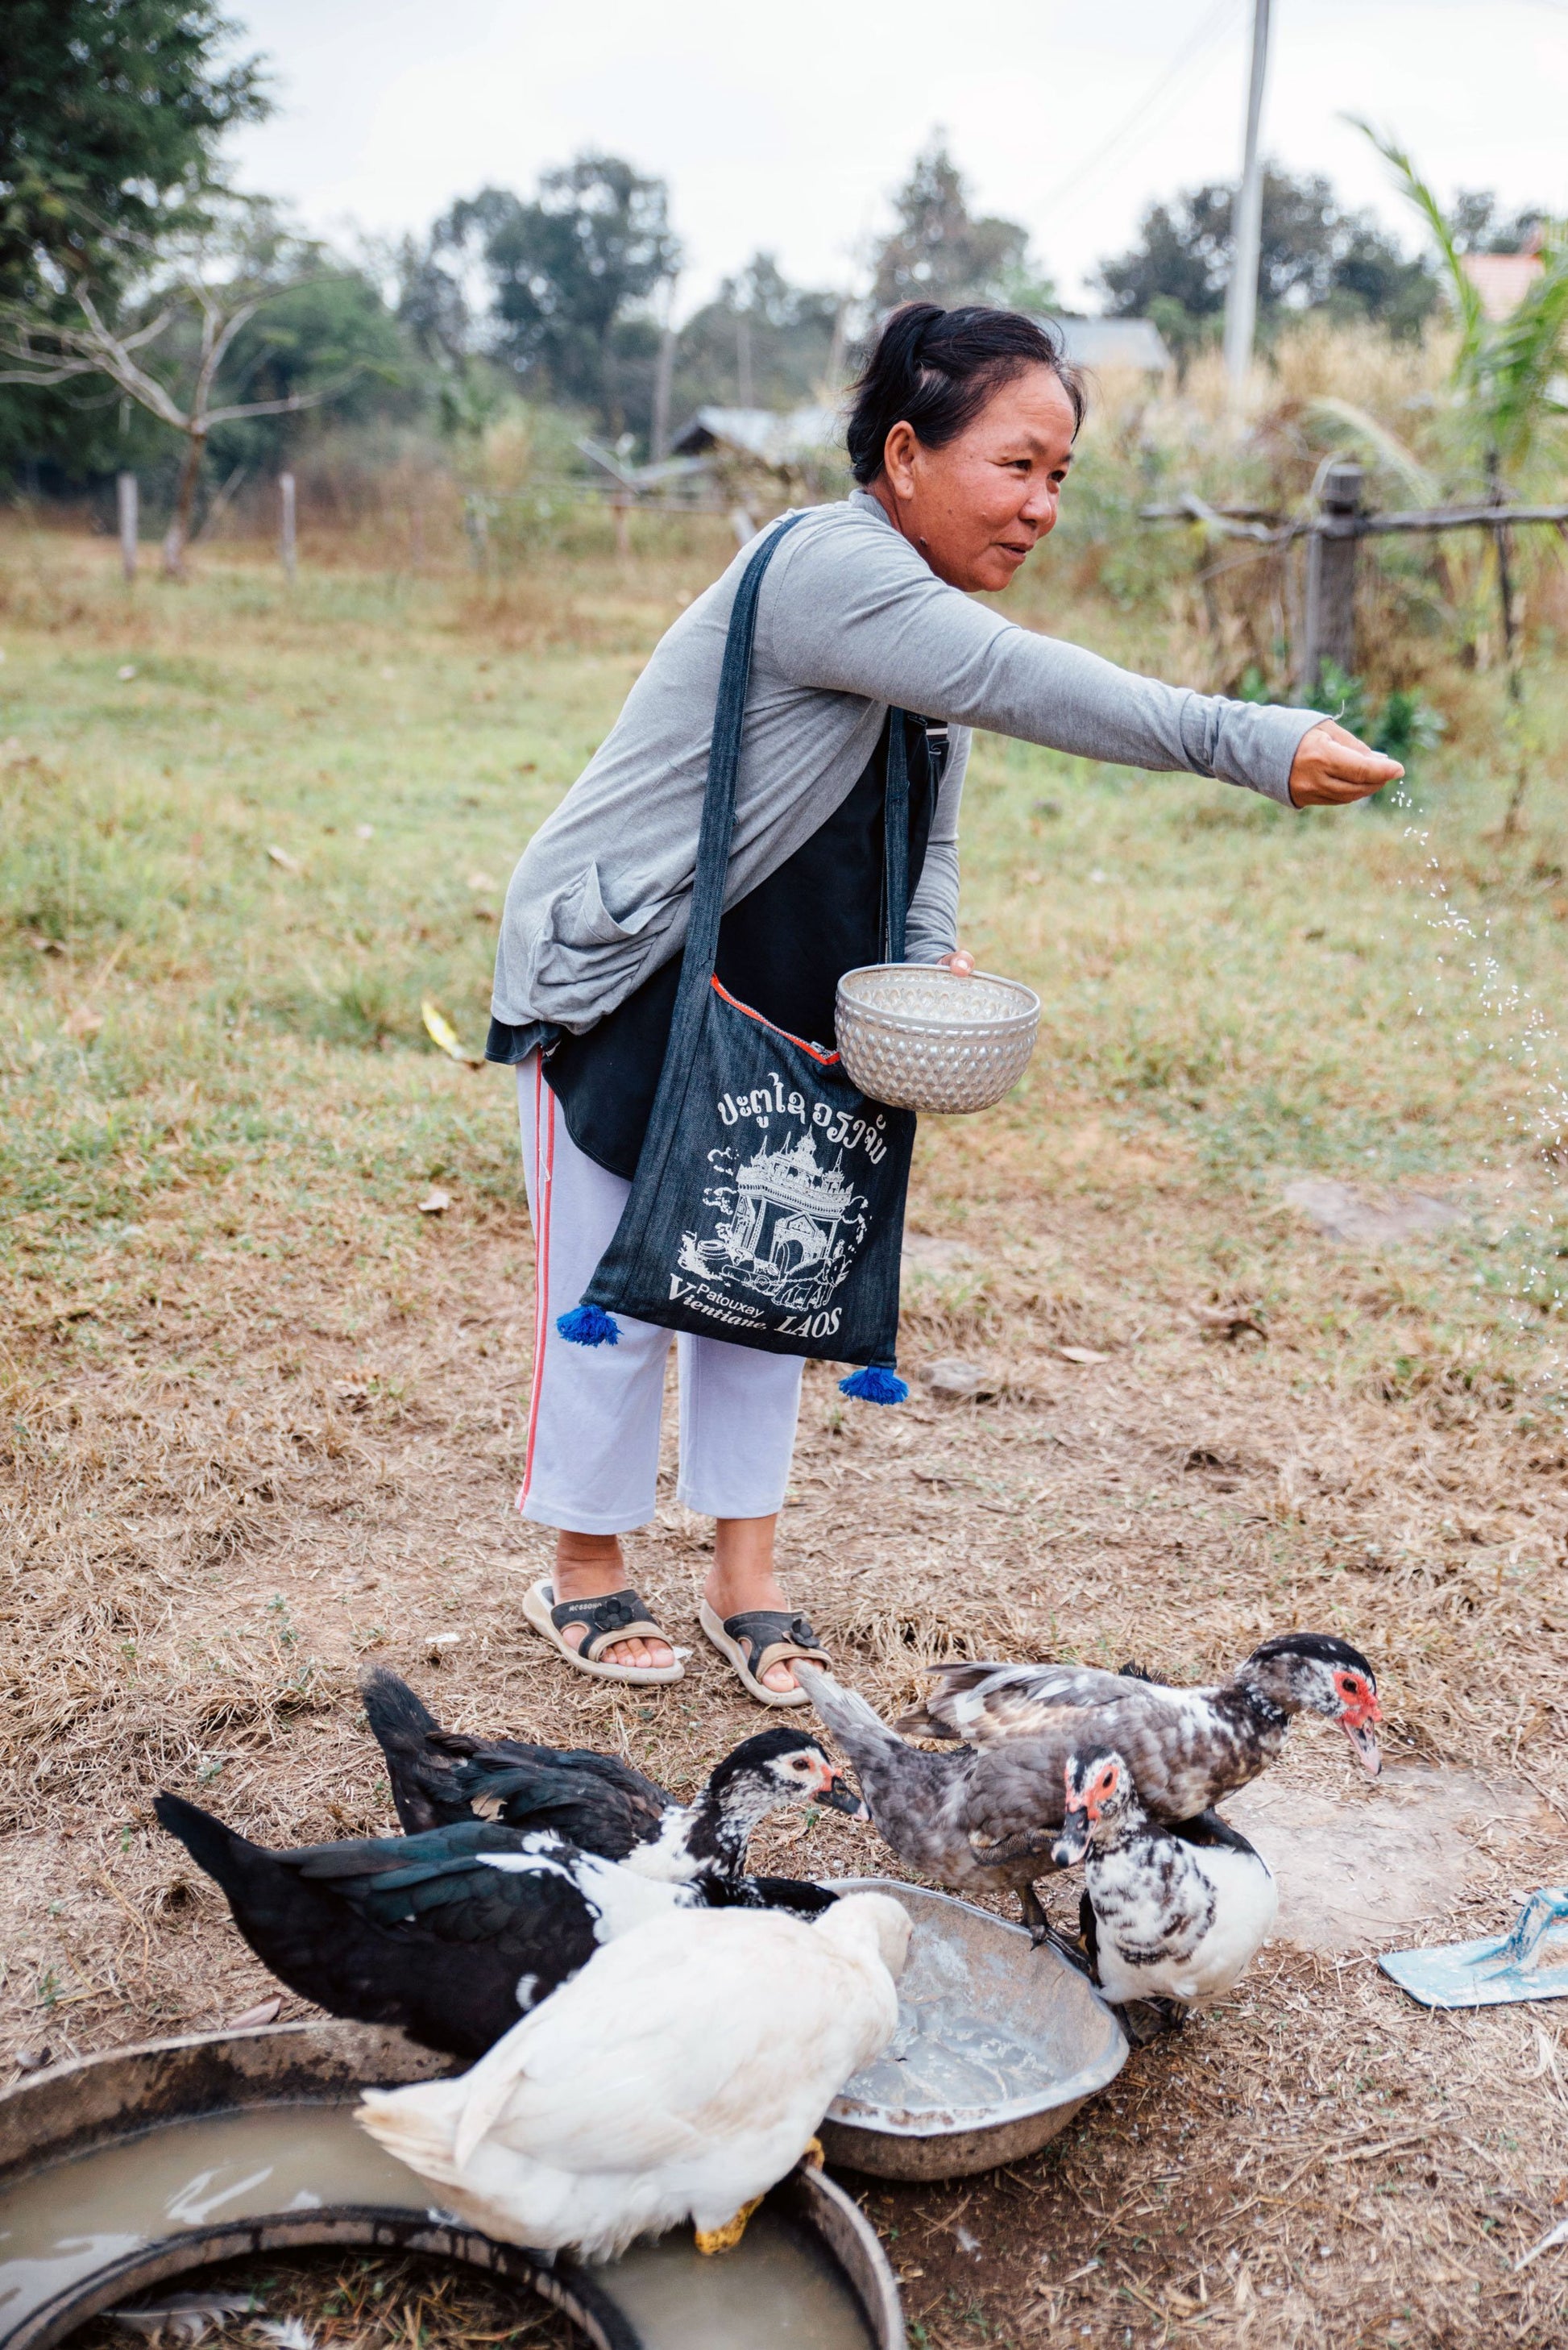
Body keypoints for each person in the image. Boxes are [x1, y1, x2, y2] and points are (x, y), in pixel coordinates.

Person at [486, 302, 1401, 1703]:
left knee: (766, 1281)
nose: (1039, 506)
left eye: (1059, 478)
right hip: (631, 978)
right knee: (619, 1290)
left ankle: (748, 1581)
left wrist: (926, 950)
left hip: (801, 988)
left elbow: (932, 824)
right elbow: (1022, 681)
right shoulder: (830, 569)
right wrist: (1252, 739)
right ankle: (588, 1571)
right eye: (1014, 465)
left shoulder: (925, 613)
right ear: (904, 454)